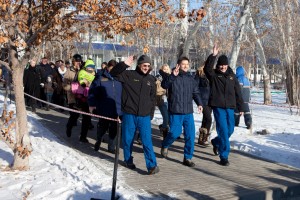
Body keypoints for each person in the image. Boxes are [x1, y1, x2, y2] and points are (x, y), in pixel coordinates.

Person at [110, 55, 159, 175]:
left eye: (148, 66)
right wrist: (124, 64)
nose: (146, 68)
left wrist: (151, 113)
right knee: (128, 140)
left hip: (144, 116)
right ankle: (128, 160)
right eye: (144, 65)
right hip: (129, 113)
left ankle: (152, 165)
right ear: (139, 65)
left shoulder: (151, 80)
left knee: (147, 141)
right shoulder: (129, 75)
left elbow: (153, 99)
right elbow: (113, 73)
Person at [204, 44, 244, 166]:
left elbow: (238, 92)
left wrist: (241, 107)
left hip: (230, 107)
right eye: (221, 65)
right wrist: (213, 55)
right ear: (218, 65)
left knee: (230, 129)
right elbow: (207, 69)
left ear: (227, 65)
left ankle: (216, 142)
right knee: (223, 130)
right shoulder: (214, 75)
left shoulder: (232, 76)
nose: (222, 67)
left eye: (224, 65)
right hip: (218, 106)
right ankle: (224, 156)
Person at [160, 56, 203, 167]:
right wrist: (173, 76)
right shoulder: (173, 76)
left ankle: (187, 158)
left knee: (190, 135)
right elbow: (164, 85)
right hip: (176, 111)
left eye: (187, 64)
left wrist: (200, 104)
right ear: (178, 65)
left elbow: (196, 92)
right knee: (175, 132)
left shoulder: (191, 78)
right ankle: (165, 144)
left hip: (188, 111)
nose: (185, 66)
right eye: (183, 64)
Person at [88, 59, 121, 154]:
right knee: (103, 126)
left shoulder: (119, 77)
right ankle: (99, 140)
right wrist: (92, 104)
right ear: (107, 67)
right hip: (104, 107)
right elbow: (92, 91)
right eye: (112, 69)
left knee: (114, 129)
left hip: (116, 107)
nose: (113, 71)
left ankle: (111, 147)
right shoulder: (100, 77)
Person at [63, 54, 93, 142]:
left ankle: (83, 136)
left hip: (84, 97)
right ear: (73, 61)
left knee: (87, 118)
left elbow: (90, 79)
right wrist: (73, 88)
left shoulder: (84, 70)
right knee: (74, 116)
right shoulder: (69, 71)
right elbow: (64, 85)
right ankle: (69, 127)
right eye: (76, 61)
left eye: (79, 61)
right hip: (73, 98)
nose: (78, 63)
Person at [194, 65, 212, 146]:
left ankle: (201, 138)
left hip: (210, 101)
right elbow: (195, 88)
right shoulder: (199, 74)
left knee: (205, 119)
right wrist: (199, 102)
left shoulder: (211, 74)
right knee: (209, 119)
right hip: (203, 100)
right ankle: (205, 137)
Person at [155, 64, 171, 139]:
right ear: (161, 70)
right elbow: (157, 90)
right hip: (161, 99)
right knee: (166, 116)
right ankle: (165, 131)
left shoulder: (171, 77)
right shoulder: (158, 78)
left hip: (170, 100)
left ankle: (163, 127)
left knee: (170, 117)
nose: (166, 71)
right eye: (164, 69)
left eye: (167, 69)